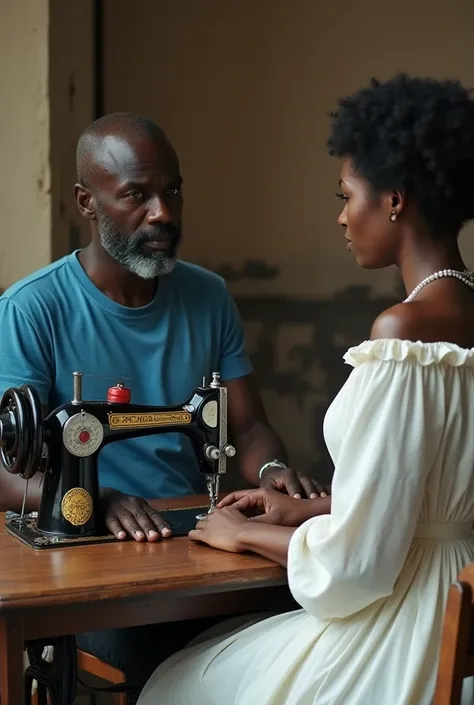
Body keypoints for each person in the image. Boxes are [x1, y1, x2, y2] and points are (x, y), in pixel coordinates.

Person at [136, 74, 474, 705]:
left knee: (176, 683)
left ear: (394, 199)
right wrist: (311, 510)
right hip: (461, 606)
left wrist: (243, 535)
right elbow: (430, 497)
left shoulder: (402, 335)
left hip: (408, 627)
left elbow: (357, 568)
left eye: (347, 195)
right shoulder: (465, 317)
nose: (342, 216)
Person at [0, 113, 329, 703]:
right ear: (87, 202)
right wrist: (93, 500)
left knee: (302, 629)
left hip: (193, 549)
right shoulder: (31, 309)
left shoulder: (209, 296)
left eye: (172, 190)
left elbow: (248, 427)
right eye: (137, 195)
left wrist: (273, 474)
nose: (164, 213)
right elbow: (4, 467)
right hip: (90, 569)